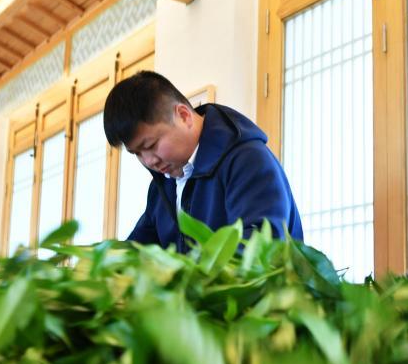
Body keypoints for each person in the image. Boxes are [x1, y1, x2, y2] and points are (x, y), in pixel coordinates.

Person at [103, 70, 303, 249]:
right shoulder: (163, 183)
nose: (149, 161)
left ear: (183, 116)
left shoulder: (248, 161)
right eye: (137, 153)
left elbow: (260, 249)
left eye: (150, 146)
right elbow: (140, 249)